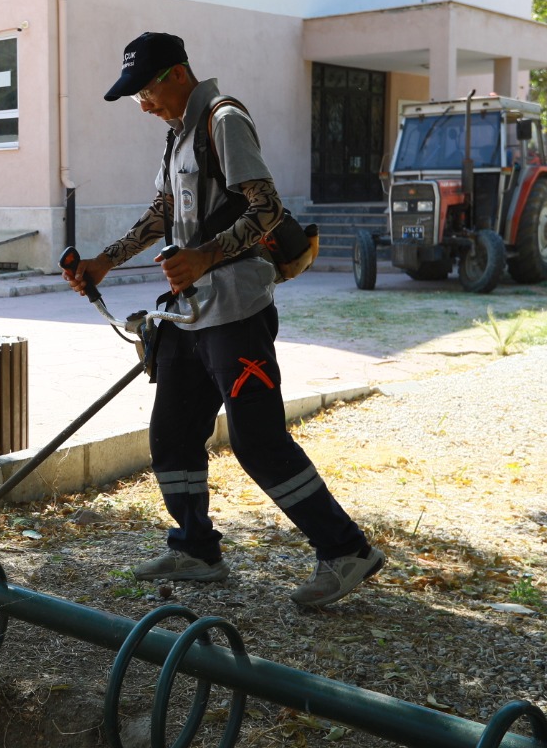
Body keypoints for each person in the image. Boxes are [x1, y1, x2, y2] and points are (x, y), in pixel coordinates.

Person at [63, 32, 384, 609]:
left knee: (258, 442)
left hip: (236, 311)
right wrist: (105, 262)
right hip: (190, 317)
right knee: (172, 435)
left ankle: (345, 551)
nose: (142, 104)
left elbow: (268, 207)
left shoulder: (223, 119)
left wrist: (206, 256)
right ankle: (196, 549)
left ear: (176, 75)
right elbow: (164, 212)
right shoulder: (176, 138)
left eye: (145, 91)